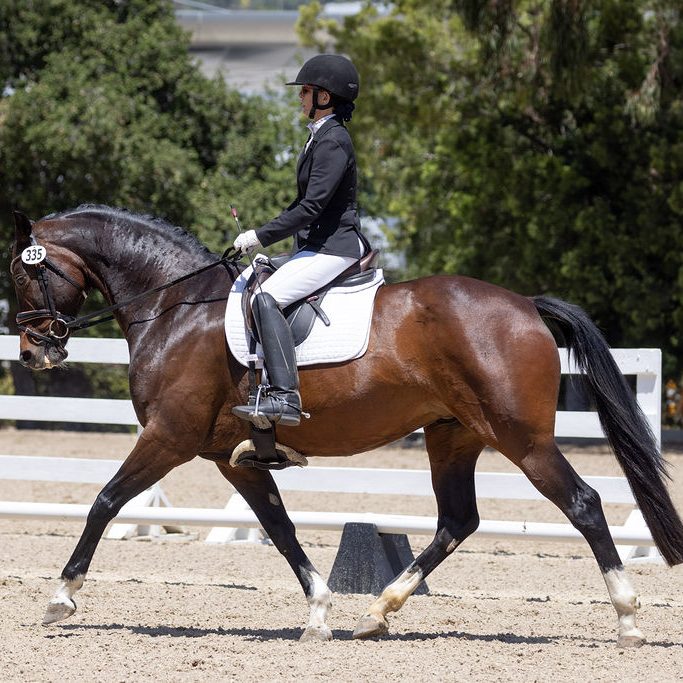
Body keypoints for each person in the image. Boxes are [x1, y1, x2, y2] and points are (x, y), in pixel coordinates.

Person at [231, 53, 369, 429]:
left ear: (325, 97)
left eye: (305, 91)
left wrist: (259, 236)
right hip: (315, 246)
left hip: (333, 248)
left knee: (267, 298)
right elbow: (302, 205)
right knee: (259, 276)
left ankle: (285, 396)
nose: (300, 97)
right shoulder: (320, 137)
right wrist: (269, 246)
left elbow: (310, 208)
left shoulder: (333, 141)